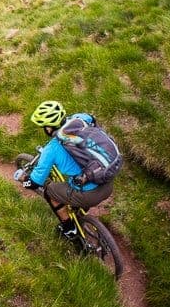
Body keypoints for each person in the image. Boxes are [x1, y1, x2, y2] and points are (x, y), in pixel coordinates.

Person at [16, 100, 114, 240]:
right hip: (107, 182)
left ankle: (69, 230)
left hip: (90, 194)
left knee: (49, 191)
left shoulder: (52, 149)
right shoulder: (79, 119)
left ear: (49, 128)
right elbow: (91, 118)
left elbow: (35, 183)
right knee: (77, 179)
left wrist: (22, 178)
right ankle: (79, 210)